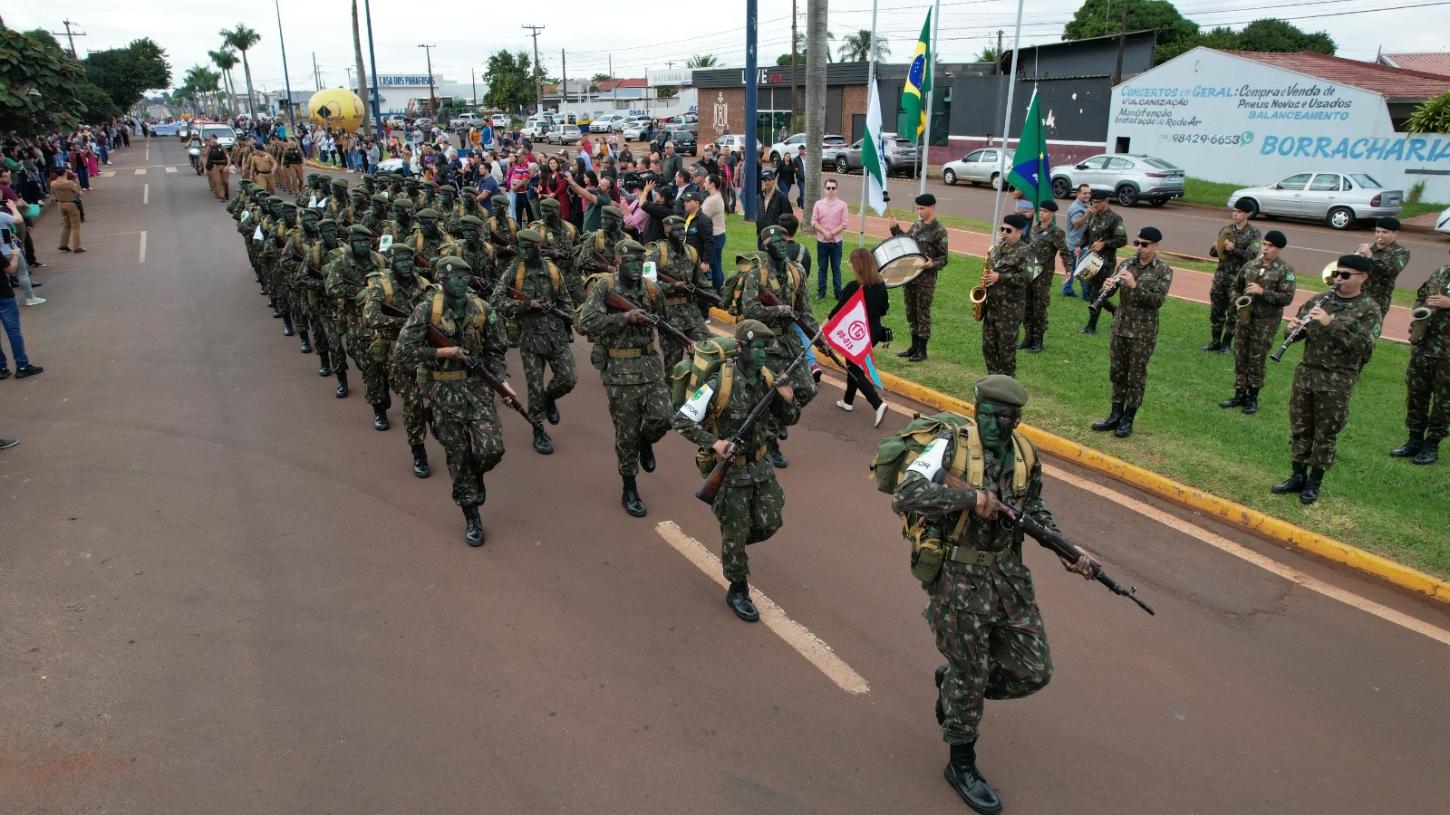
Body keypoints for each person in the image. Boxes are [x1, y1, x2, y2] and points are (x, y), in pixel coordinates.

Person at [891, 374, 1099, 815]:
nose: (997, 425)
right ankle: (961, 762)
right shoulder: (951, 445)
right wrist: (969, 498)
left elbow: (1033, 506)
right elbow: (905, 493)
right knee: (971, 669)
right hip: (959, 577)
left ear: (1017, 418)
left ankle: (953, 689)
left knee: (1033, 669)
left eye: (1006, 417)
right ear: (976, 410)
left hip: (1008, 575)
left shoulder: (1024, 453)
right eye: (989, 415)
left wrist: (1064, 546)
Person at [671, 319, 801, 622]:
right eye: (756, 347)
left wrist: (788, 397)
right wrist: (714, 443)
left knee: (771, 521)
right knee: (735, 531)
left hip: (760, 464)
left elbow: (788, 418)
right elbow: (681, 420)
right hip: (729, 473)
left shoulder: (767, 377)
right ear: (740, 347)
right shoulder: (720, 383)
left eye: (765, 348)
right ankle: (738, 587)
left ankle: (735, 543)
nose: (762, 354)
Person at [394, 256, 512, 545]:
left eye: (464, 276)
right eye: (454, 277)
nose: (461, 281)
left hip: (478, 390)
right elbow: (403, 352)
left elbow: (496, 350)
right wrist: (441, 354)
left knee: (492, 449)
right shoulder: (426, 311)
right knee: (457, 458)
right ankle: (471, 514)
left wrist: (502, 382)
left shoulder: (483, 309)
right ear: (441, 281)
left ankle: (476, 474)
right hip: (443, 393)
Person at [575, 239, 674, 518]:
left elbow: (667, 322)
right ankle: (629, 486)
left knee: (664, 417)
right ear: (618, 262)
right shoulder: (605, 287)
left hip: (650, 367)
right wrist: (624, 318)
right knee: (625, 434)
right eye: (630, 261)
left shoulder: (651, 289)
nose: (635, 266)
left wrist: (687, 343)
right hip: (619, 370)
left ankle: (647, 440)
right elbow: (586, 322)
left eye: (639, 262)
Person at [1273, 255, 1381, 504]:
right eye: (1337, 274)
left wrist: (1330, 323)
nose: (1338, 279)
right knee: (1300, 428)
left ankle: (1314, 481)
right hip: (1307, 373)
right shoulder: (1318, 299)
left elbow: (1362, 346)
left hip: (1337, 380)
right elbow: (1300, 334)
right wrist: (1293, 329)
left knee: (1326, 433)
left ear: (1362, 277)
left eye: (1345, 275)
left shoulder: (1369, 309)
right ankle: (1297, 475)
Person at [490, 229, 577, 454]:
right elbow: (496, 300)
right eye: (521, 247)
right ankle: (538, 430)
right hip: (530, 338)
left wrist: (568, 323)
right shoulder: (514, 271)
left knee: (568, 378)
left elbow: (565, 299)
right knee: (534, 388)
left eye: (528, 248)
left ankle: (550, 398)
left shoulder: (551, 270)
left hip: (555, 335)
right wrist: (528, 305)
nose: (523, 252)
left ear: (538, 248)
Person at [742, 225, 821, 468]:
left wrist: (819, 338)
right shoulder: (757, 275)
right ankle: (771, 442)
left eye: (783, 241)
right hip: (765, 344)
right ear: (765, 247)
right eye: (774, 243)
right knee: (768, 394)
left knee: (807, 388)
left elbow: (805, 312)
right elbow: (749, 310)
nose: (780, 246)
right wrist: (778, 310)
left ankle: (777, 423)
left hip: (790, 341)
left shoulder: (797, 272)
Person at [361, 242, 438, 477]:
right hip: (397, 354)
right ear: (391, 261)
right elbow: (371, 317)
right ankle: (418, 451)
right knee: (413, 401)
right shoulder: (381, 287)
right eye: (400, 260)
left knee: (438, 397)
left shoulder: (425, 286)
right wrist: (407, 324)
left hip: (425, 353)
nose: (405, 264)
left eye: (409, 260)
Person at [1091, 227, 1173, 439]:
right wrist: (1106, 286)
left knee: (1135, 376)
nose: (1139, 248)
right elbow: (1111, 292)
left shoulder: (1163, 270)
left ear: (1155, 246)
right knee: (1117, 372)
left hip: (1143, 332)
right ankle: (1115, 414)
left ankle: (1128, 418)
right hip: (1121, 327)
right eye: (1137, 243)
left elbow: (1157, 301)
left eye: (1144, 244)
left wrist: (1135, 286)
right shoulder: (1127, 263)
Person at [1219, 230, 1296, 415]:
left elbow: (1287, 297)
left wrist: (1263, 292)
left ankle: (1252, 397)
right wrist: (1237, 300)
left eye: (1270, 246)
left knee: (1256, 359)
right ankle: (1239, 394)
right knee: (1240, 357)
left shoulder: (1285, 271)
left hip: (1265, 323)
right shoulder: (1250, 265)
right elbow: (1235, 286)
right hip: (1245, 319)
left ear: (1278, 248)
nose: (1266, 248)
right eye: (1265, 244)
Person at [1390, 253, 1450, 465]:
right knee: (1416, 395)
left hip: (1447, 356)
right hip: (1424, 347)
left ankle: (1432, 444)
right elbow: (1421, 295)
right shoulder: (1441, 273)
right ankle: (1414, 440)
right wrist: (1419, 314)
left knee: (1444, 403)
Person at [324, 225, 389, 404]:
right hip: (356, 323)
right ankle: (378, 405)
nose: (362, 245)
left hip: (380, 322)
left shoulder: (380, 260)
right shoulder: (341, 263)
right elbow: (332, 288)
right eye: (358, 241)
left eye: (365, 241)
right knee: (367, 366)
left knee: (381, 368)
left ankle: (380, 403)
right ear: (350, 243)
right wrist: (360, 292)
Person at [831, 248, 890, 427]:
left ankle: (877, 404)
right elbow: (884, 309)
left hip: (859, 334)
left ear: (857, 265)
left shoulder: (853, 287)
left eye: (851, 262)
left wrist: (822, 327)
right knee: (854, 364)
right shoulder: (880, 284)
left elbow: (838, 310)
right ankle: (848, 401)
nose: (850, 265)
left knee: (855, 370)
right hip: (875, 332)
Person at [890, 194, 949, 362]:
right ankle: (913, 346)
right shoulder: (916, 225)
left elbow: (944, 258)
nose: (919, 211)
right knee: (911, 311)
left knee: (922, 312)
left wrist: (932, 264)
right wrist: (895, 228)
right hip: (910, 276)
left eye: (922, 208)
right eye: (918, 208)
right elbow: (905, 242)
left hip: (926, 279)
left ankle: (922, 350)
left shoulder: (939, 231)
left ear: (932, 207)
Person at [649, 215, 713, 371]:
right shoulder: (657, 255)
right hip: (668, 313)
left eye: (682, 230)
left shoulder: (691, 252)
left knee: (709, 348)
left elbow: (701, 281)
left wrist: (714, 296)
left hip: (691, 312)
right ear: (667, 233)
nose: (681, 233)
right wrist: (673, 287)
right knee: (674, 360)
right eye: (676, 230)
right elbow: (647, 286)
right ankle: (671, 392)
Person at [1205, 199, 1263, 353]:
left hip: (1237, 279)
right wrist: (1215, 247)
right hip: (1221, 276)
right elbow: (1214, 254)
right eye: (1234, 211)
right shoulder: (1226, 229)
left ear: (1247, 214)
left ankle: (1226, 344)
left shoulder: (1254, 233)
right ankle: (1215, 341)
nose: (1235, 214)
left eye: (1239, 212)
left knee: (1233, 312)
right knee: (1216, 310)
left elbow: (1251, 258)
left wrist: (1233, 249)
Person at [981, 214, 1033, 376]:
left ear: (1019, 232)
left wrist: (1000, 277)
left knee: (1006, 351)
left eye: (1008, 230)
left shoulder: (1026, 251)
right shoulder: (998, 248)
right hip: (992, 307)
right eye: (1002, 229)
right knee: (988, 347)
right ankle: (992, 380)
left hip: (1009, 311)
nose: (1004, 232)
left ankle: (1007, 386)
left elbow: (1027, 277)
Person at [1077, 190, 1127, 334]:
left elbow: (1123, 240)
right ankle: (1115, 310)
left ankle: (1091, 326)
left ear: (1107, 201)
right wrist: (1079, 246)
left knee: (1095, 293)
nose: (1095, 205)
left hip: (1105, 262)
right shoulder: (1093, 215)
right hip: (1091, 260)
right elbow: (1087, 234)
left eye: (1098, 202)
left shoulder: (1115, 218)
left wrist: (1104, 244)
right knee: (1089, 291)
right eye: (1093, 202)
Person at [1022, 201, 1070, 352]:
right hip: (1029, 273)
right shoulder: (1034, 229)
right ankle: (1028, 338)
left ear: (1052, 214)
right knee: (1027, 306)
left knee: (1039, 308)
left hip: (1043, 276)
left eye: (1045, 211)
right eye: (1040, 210)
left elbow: (1065, 252)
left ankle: (1038, 341)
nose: (1042, 213)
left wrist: (1069, 270)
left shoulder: (1057, 233)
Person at [0, 236, 43, 380]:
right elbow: (10, 269)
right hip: (3, 294)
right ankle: (22, 365)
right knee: (13, 332)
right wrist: (15, 256)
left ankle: (1, 367)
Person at [1357, 216, 1411, 317]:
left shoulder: (1401, 252)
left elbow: (1392, 271)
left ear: (1395, 233)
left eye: (1384, 232)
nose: (1379, 235)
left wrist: (1370, 256)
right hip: (1356, 294)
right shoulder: (1368, 248)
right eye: (1377, 231)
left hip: (1377, 299)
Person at [811, 177, 848, 299]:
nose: (831, 190)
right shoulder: (818, 204)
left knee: (836, 268)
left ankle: (838, 293)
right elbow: (814, 221)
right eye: (828, 188)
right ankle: (821, 292)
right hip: (822, 242)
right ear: (824, 189)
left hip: (836, 242)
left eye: (833, 188)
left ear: (836, 189)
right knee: (822, 267)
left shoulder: (843, 205)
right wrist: (824, 232)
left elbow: (844, 223)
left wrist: (831, 233)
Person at [50, 168, 84, 253]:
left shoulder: (53, 183)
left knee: (66, 223)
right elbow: (79, 193)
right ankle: (77, 246)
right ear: (65, 173)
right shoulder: (69, 183)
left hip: (61, 204)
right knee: (75, 226)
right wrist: (78, 185)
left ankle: (63, 244)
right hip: (71, 203)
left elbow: (53, 193)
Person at [755, 170, 790, 235]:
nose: (767, 182)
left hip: (776, 235)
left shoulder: (781, 197)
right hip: (761, 234)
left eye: (769, 179)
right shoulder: (758, 197)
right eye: (765, 180)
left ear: (773, 180)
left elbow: (788, 217)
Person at [204, 136, 231, 201]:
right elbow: (206, 158)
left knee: (225, 181)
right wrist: (205, 168)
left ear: (217, 139)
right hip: (214, 166)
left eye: (214, 139)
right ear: (210, 141)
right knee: (218, 181)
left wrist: (228, 165)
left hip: (223, 165)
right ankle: (222, 196)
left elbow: (227, 156)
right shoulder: (209, 148)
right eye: (212, 139)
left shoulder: (222, 147)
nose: (213, 140)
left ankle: (226, 193)